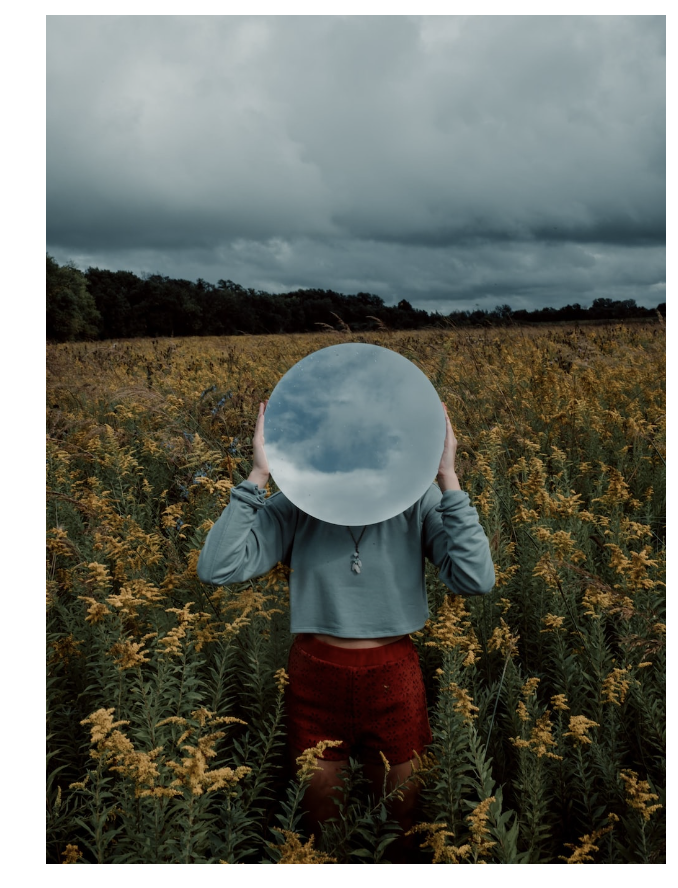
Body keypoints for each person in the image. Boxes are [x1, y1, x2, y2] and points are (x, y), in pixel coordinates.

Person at [197, 398, 495, 845]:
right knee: (321, 827)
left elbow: (476, 579)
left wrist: (447, 478)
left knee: (404, 824)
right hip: (315, 677)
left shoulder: (419, 500)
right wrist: (258, 475)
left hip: (394, 676)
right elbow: (217, 567)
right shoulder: (298, 503)